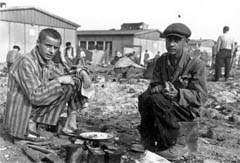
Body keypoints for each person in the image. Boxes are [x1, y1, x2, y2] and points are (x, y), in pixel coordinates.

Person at [4, 28, 91, 142]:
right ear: (38, 43)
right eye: (48, 46)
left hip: (32, 107)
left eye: (55, 48)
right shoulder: (26, 62)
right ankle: (27, 130)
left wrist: (81, 72)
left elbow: (65, 74)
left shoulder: (47, 62)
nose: (51, 51)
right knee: (62, 84)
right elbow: (35, 97)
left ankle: (69, 125)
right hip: (21, 113)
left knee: (70, 84)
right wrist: (59, 80)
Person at [137, 23, 208, 160]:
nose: (172, 44)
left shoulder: (195, 64)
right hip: (165, 104)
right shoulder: (162, 61)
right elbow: (155, 83)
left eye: (177, 40)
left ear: (186, 42)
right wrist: (156, 87)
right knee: (145, 98)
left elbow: (201, 97)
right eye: (169, 40)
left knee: (157, 100)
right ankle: (148, 140)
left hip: (186, 109)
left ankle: (176, 144)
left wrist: (179, 93)